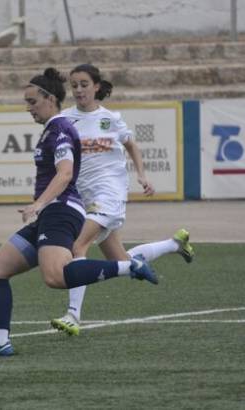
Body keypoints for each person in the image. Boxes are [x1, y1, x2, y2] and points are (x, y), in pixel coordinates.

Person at [0, 68, 157, 357]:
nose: (28, 108)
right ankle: (0, 342)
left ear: (50, 99)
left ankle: (129, 266)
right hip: (52, 213)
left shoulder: (60, 128)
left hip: (61, 211)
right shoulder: (54, 127)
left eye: (32, 101)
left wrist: (38, 204)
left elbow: (64, 174)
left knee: (56, 277)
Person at [50, 64, 195, 336]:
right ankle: (175, 244)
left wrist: (142, 176)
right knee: (122, 259)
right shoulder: (65, 119)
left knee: (78, 246)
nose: (79, 89)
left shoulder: (111, 119)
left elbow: (131, 145)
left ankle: (73, 315)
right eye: (74, 85)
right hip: (85, 198)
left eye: (84, 84)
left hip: (110, 193)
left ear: (96, 86)